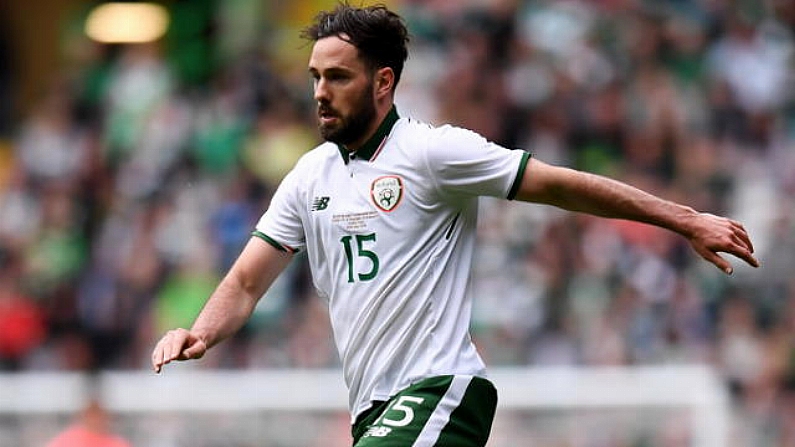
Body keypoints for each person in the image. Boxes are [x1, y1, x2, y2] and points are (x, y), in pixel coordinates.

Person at [151, 3, 760, 446]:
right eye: (315, 77)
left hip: (441, 391)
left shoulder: (432, 152)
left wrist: (687, 220)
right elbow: (248, 282)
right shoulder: (310, 176)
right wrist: (200, 331)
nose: (320, 93)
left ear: (383, 82)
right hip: (374, 408)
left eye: (337, 77)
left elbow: (558, 184)